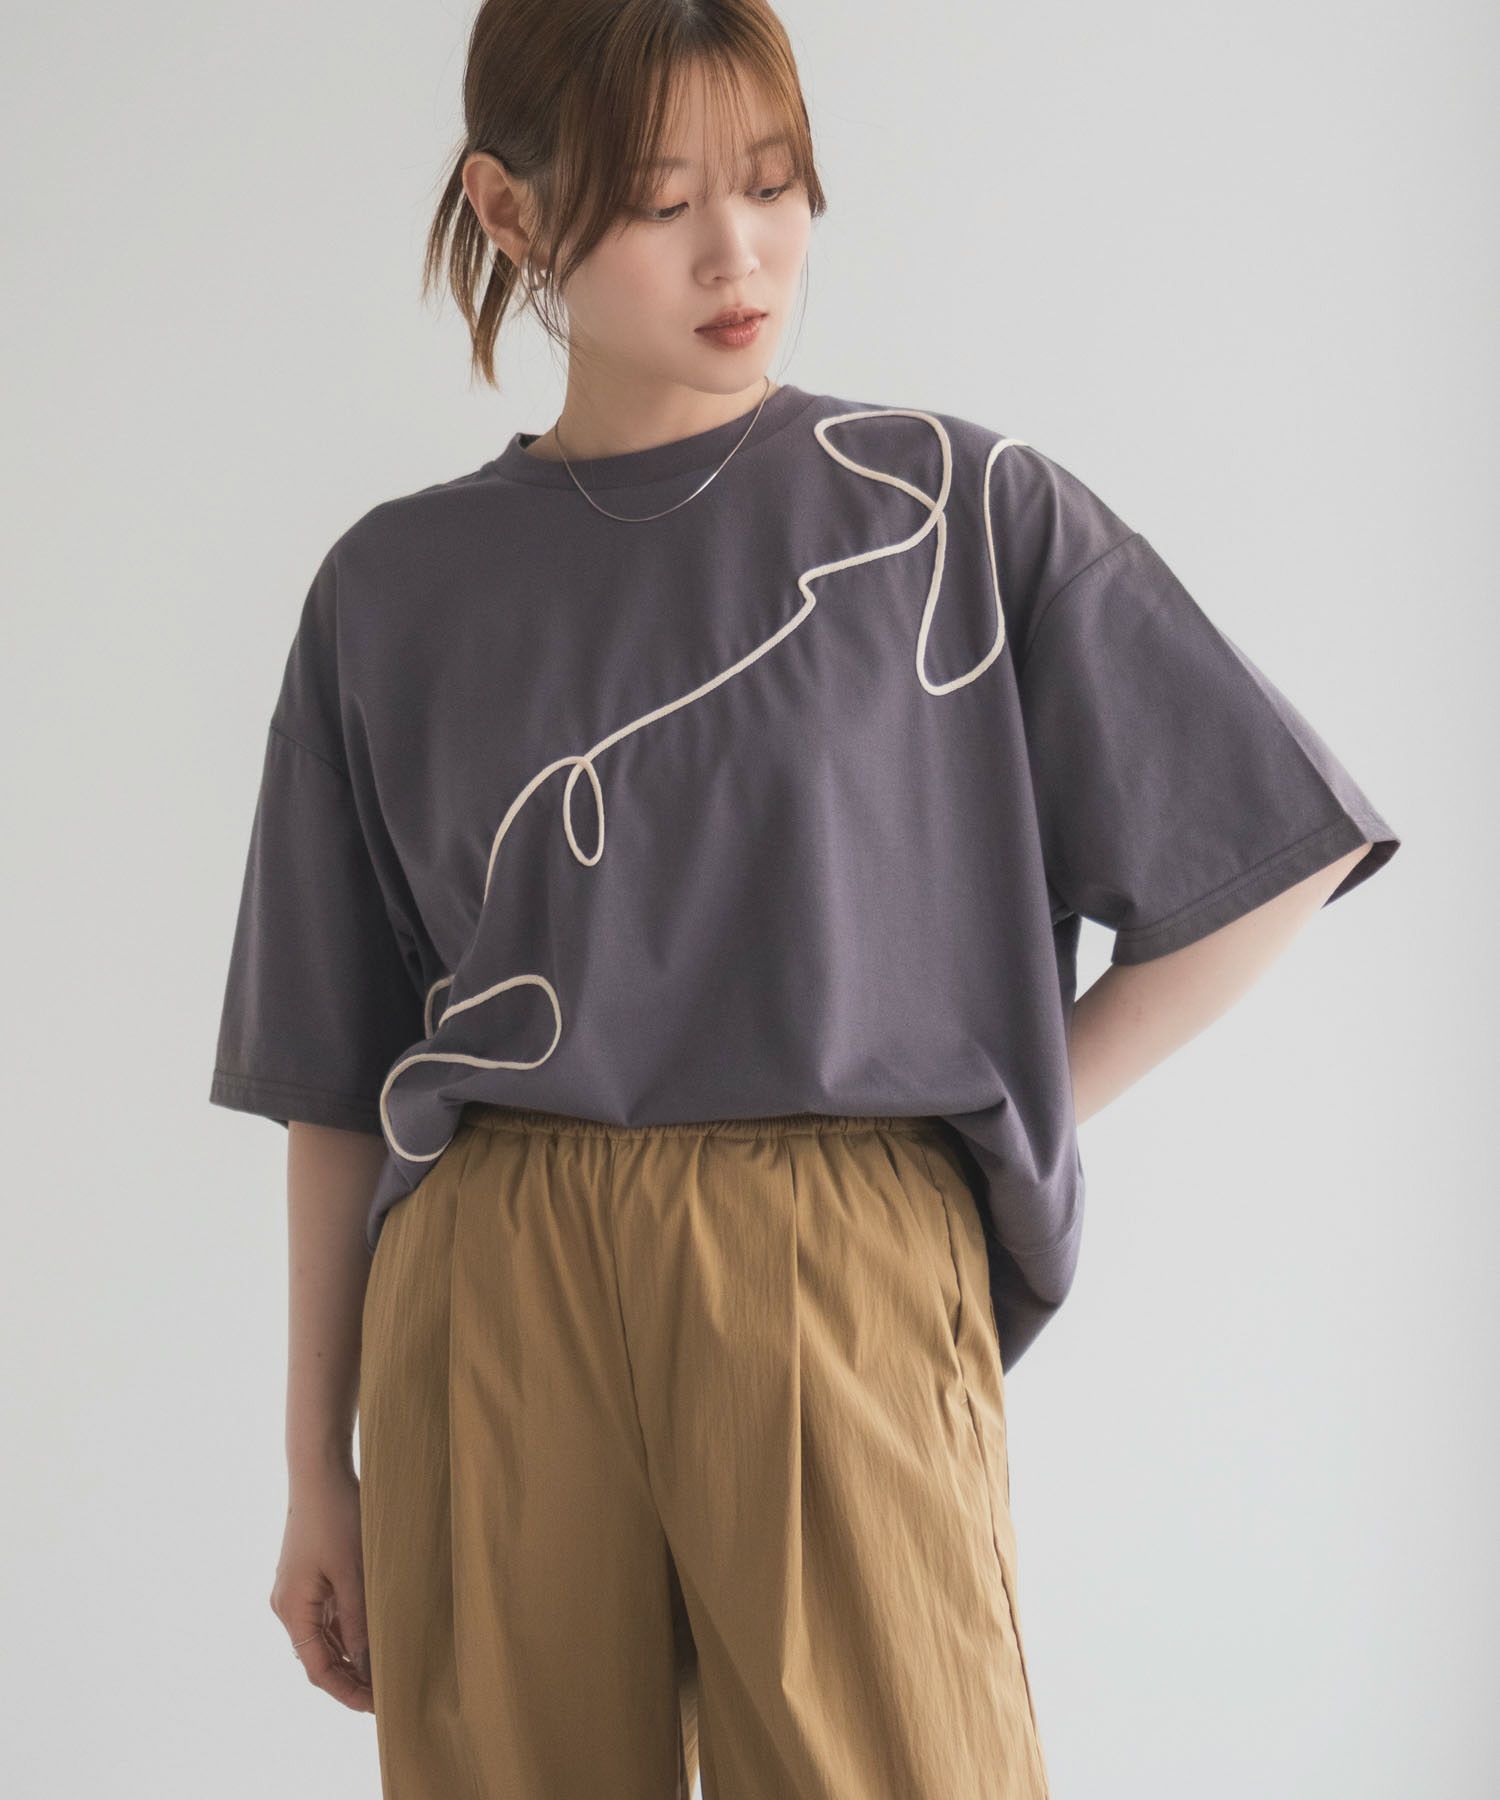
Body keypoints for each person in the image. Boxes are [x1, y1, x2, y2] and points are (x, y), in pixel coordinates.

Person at [207, 2, 1402, 1794]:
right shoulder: (391, 589)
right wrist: (320, 1469)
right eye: (660, 199)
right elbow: (334, 1068)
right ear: (510, 211)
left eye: (772, 184)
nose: (739, 251)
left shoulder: (948, 508)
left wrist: (993, 1117)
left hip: (838, 1258)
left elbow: (1263, 852)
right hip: (492, 1271)